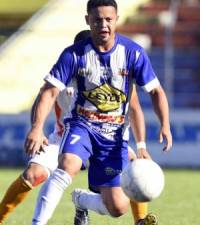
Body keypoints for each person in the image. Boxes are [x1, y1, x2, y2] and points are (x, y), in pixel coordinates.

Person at [0, 30, 158, 225]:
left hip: (106, 139)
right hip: (65, 139)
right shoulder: (68, 69)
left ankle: (136, 220)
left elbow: (134, 108)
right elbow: (43, 97)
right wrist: (37, 128)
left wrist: (142, 145)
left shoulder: (115, 75)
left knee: (132, 172)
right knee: (32, 174)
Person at [25, 0, 172, 224]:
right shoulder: (73, 55)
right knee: (68, 165)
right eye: (97, 20)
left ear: (116, 19)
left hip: (113, 138)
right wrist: (36, 128)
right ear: (88, 21)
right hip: (82, 126)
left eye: (108, 19)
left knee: (118, 207)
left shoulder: (133, 54)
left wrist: (164, 125)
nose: (103, 25)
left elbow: (155, 92)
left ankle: (81, 200)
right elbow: (48, 91)